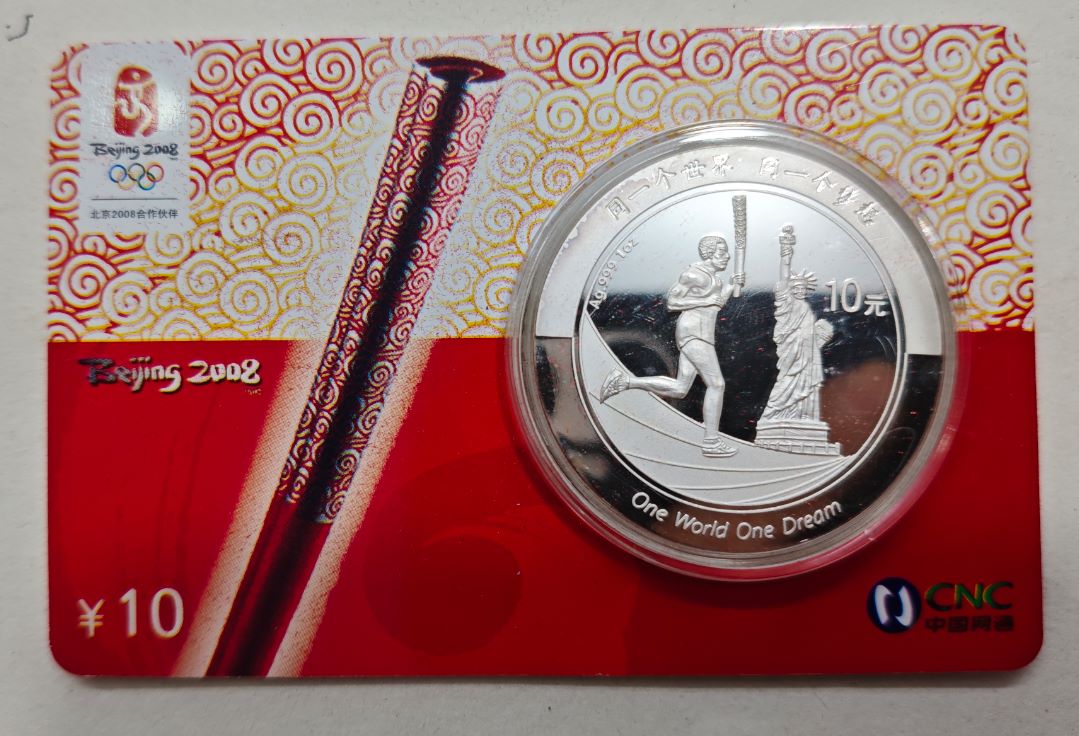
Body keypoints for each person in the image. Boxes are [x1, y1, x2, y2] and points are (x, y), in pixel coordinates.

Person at [600, 235, 745, 457]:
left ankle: (624, 382)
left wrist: (731, 286)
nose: (726, 256)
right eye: (721, 252)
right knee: (716, 384)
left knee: (680, 389)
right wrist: (705, 301)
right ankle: (711, 441)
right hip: (693, 333)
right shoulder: (693, 275)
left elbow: (714, 306)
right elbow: (672, 302)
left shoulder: (715, 280)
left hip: (703, 334)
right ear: (708, 253)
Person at [759, 225, 833, 423]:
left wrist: (820, 335)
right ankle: (774, 414)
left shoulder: (806, 307)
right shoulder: (787, 303)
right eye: (796, 287)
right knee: (788, 381)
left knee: (806, 384)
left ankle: (803, 417)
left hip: (808, 354)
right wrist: (786, 252)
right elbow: (784, 277)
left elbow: (809, 333)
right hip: (792, 352)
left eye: (803, 288)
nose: (800, 290)